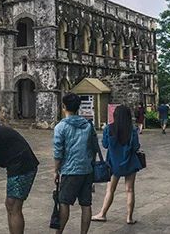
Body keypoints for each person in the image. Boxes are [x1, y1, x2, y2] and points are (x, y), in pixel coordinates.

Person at [52, 93, 97, 234]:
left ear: (63, 107)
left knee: (64, 202)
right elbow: (94, 148)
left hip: (70, 170)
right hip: (87, 169)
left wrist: (56, 170)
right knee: (86, 204)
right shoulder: (88, 125)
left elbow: (58, 152)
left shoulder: (61, 127)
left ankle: (59, 232)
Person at [91, 105, 141, 225]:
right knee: (130, 190)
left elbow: (105, 145)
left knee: (110, 190)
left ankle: (103, 214)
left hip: (113, 164)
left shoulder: (109, 128)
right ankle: (129, 218)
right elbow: (136, 146)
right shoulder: (132, 129)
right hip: (130, 162)